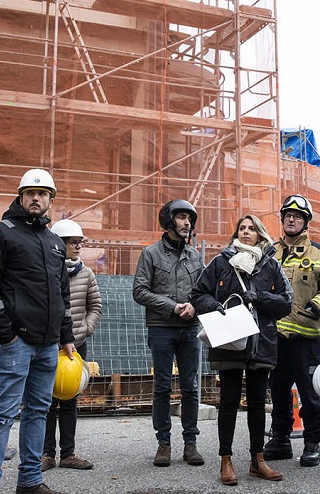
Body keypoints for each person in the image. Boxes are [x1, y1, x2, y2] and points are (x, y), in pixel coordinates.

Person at [0, 168, 76, 494]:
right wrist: (6, 335)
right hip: (15, 343)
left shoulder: (54, 243)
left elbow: (62, 294)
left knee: (37, 413)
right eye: (30, 192)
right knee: (2, 415)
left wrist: (66, 336)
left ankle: (30, 482)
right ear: (20, 196)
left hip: (47, 346)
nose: (36, 198)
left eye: (43, 194)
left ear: (50, 201)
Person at [191, 214, 293, 486]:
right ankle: (226, 460)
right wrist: (216, 306)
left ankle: (257, 460)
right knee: (228, 402)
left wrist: (260, 297)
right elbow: (198, 294)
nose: (246, 232)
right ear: (236, 233)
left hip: (262, 343)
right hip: (230, 340)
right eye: (241, 228)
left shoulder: (270, 265)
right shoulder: (220, 263)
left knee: (259, 403)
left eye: (251, 229)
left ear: (260, 234)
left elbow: (286, 302)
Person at [132, 199, 205, 468]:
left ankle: (190, 444)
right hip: (161, 328)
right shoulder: (150, 254)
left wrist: (194, 306)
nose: (187, 223)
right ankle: (164, 443)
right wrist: (173, 307)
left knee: (191, 387)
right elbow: (139, 291)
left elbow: (203, 292)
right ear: (169, 220)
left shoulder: (196, 257)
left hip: (189, 330)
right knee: (162, 386)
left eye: (190, 218)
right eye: (182, 217)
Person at [264, 194, 320, 467]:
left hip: (306, 338)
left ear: (306, 222)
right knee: (278, 390)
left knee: (310, 393)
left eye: (298, 216)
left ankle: (312, 442)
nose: (291, 219)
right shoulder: (269, 253)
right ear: (282, 219)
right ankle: (280, 440)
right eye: (287, 215)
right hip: (275, 337)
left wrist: (317, 305)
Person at [41, 219, 102, 472]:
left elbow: (95, 306)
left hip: (76, 346)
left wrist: (85, 329)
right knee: (46, 402)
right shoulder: (46, 271)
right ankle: (46, 454)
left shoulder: (86, 274)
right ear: (58, 243)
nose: (78, 247)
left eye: (80, 242)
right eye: (72, 242)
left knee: (70, 399)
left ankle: (68, 453)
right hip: (49, 346)